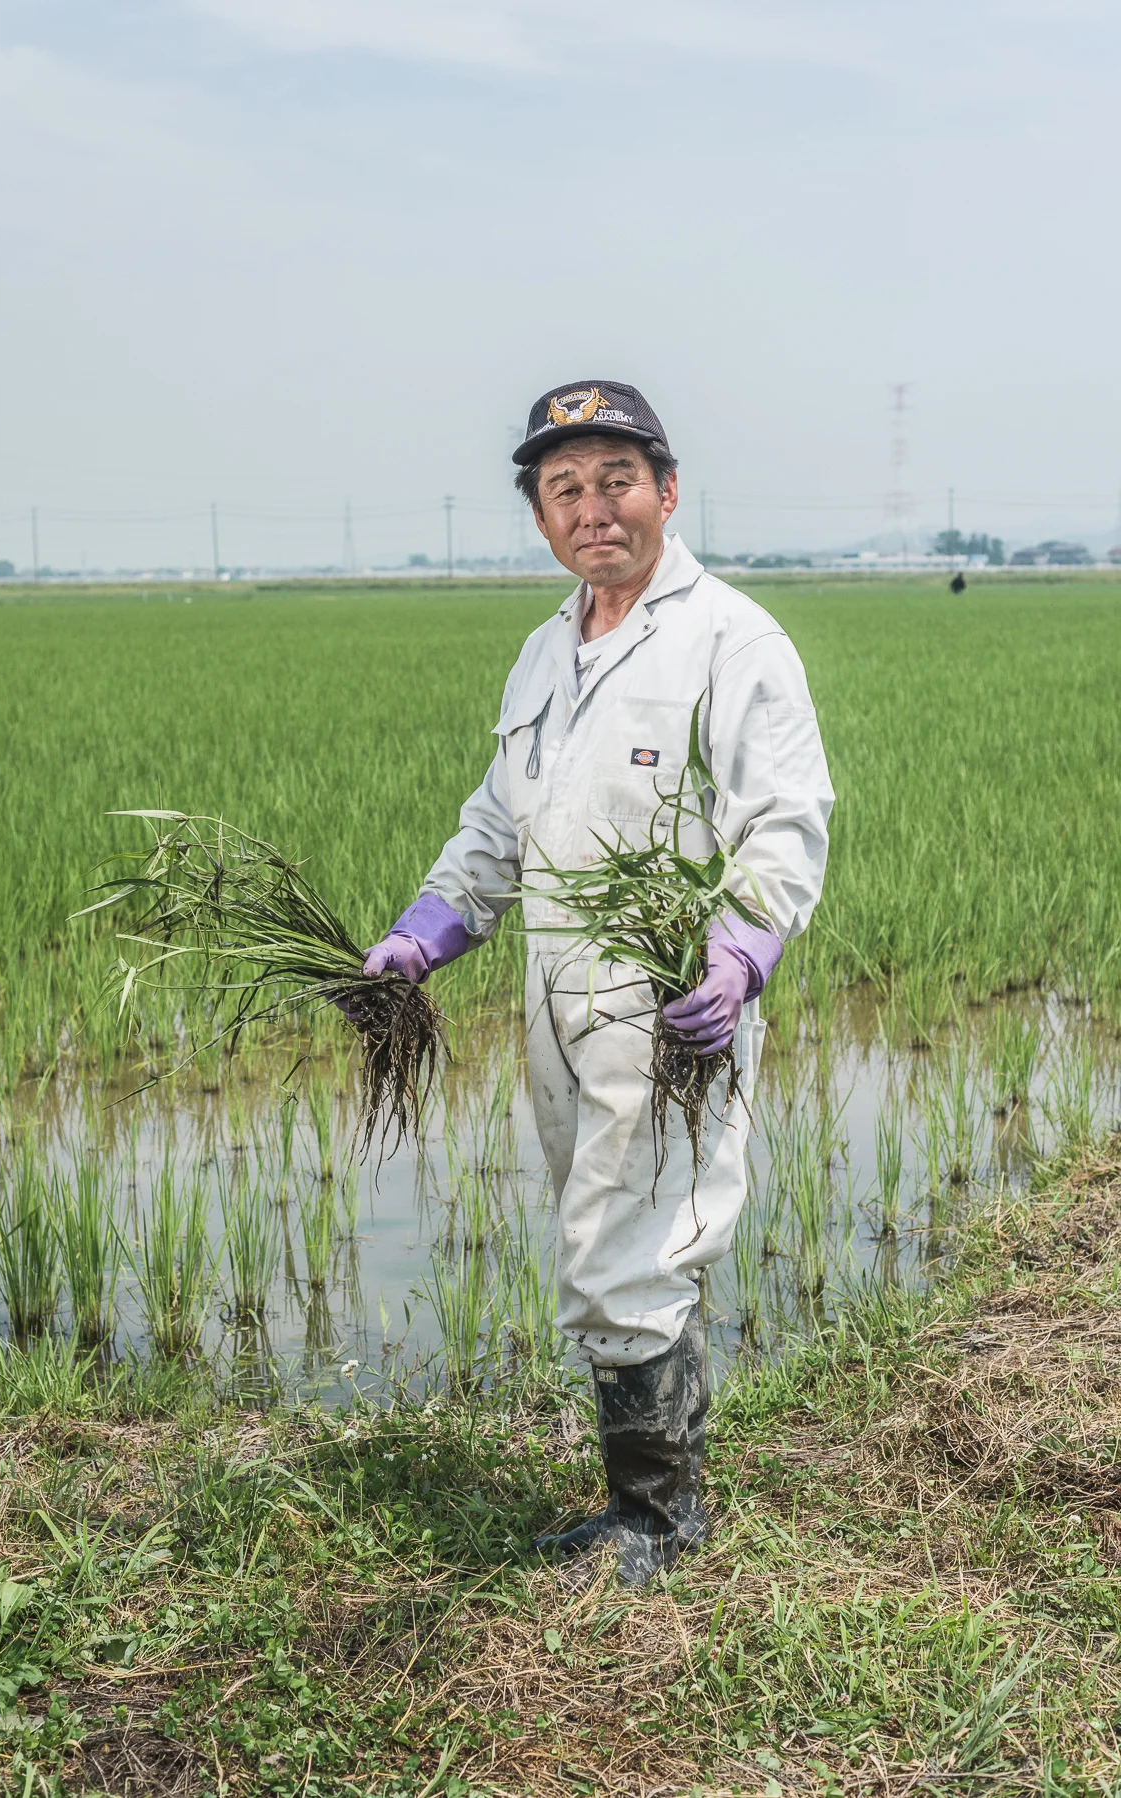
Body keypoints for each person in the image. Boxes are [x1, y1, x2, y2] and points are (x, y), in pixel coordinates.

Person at [362, 380, 834, 1586]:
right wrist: (426, 929)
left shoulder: (731, 639)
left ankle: (661, 1523)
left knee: (634, 1248)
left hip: (669, 1007)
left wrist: (738, 952)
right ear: (540, 517)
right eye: (564, 487)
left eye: (616, 478)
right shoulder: (542, 650)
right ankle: (642, 1496)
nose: (594, 506)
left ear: (667, 492)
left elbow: (783, 823)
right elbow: (499, 825)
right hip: (553, 999)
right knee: (602, 1238)